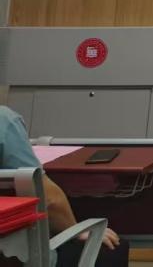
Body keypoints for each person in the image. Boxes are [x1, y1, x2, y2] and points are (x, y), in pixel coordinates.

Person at [0, 106, 127, 267]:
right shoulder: (5, 120)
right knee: (114, 248)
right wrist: (77, 230)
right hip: (19, 257)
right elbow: (48, 199)